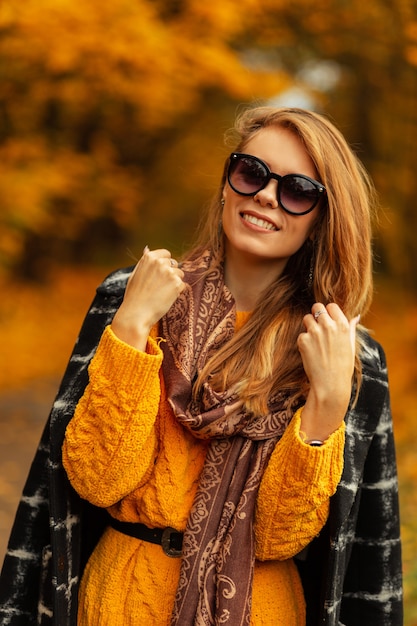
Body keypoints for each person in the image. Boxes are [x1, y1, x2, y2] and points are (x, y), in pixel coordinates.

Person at [0, 106, 402, 626]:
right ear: (226, 186)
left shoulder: (343, 352)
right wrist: (130, 331)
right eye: (251, 173)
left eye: (297, 190)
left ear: (323, 218)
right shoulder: (134, 296)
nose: (264, 195)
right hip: (118, 605)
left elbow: (279, 535)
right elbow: (96, 480)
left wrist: (326, 404)